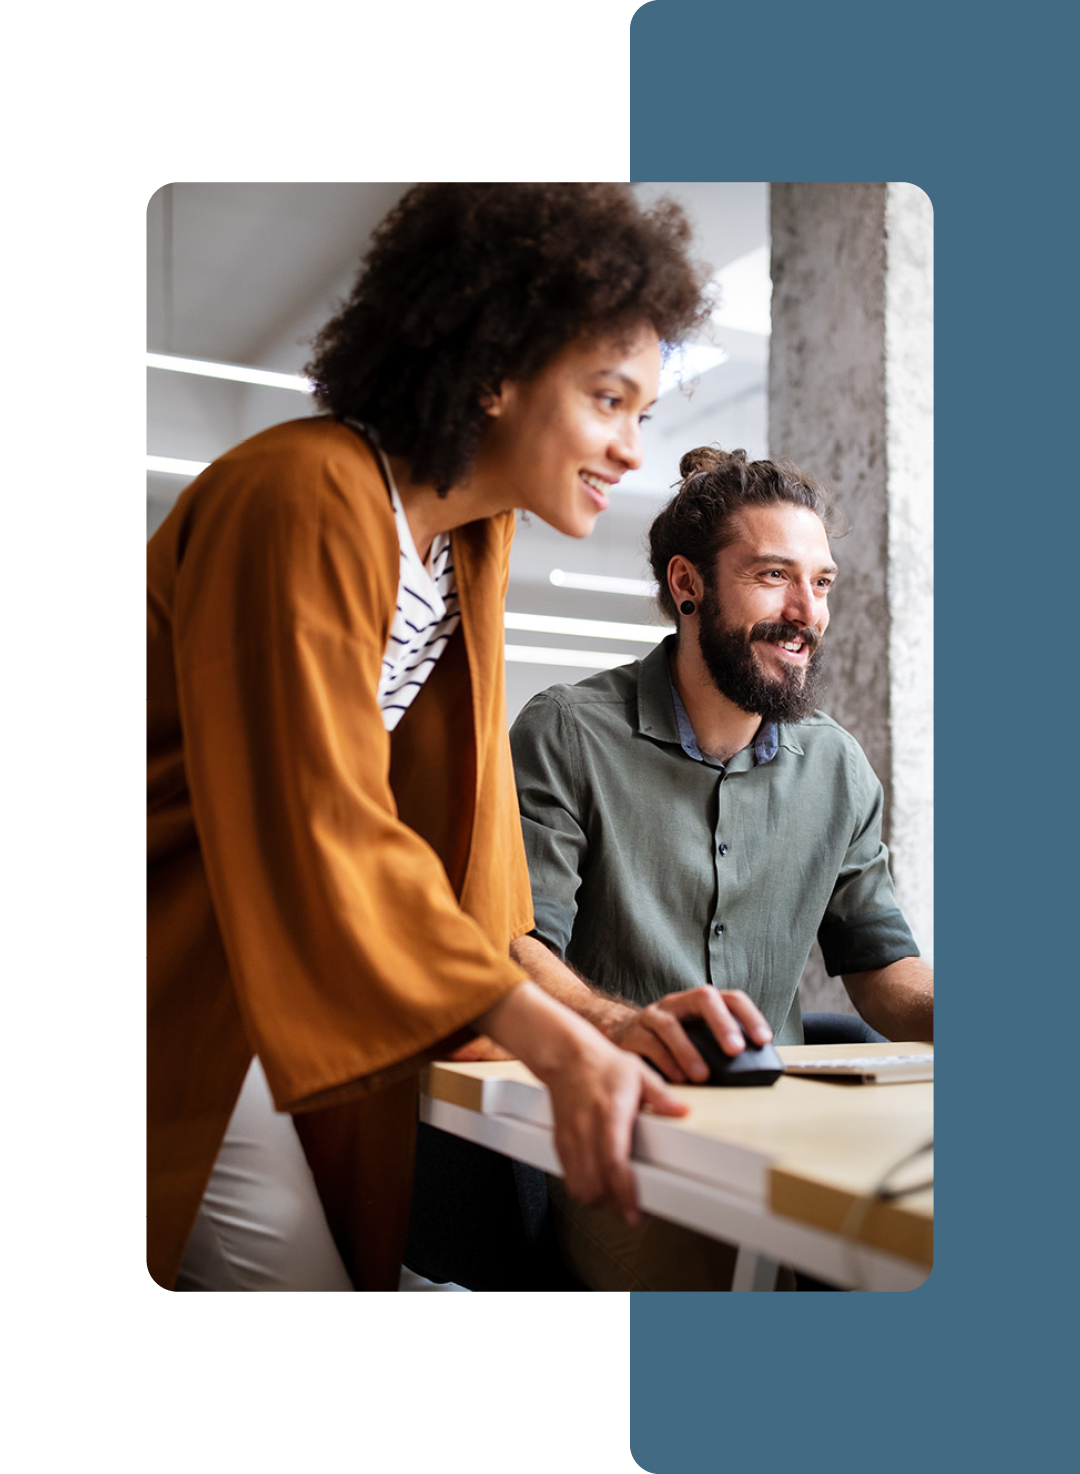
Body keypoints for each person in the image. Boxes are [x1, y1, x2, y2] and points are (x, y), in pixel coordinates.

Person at [146, 183, 715, 1292]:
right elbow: (323, 819)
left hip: (260, 967)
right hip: (164, 970)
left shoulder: (468, 541)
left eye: (643, 413)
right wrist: (555, 1049)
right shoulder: (299, 494)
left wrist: (602, 1018)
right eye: (610, 399)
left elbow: (462, 849)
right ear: (496, 368)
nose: (631, 451)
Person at [508, 443, 933, 1289]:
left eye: (820, 583)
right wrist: (625, 1027)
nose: (804, 611)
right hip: (633, 1130)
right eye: (774, 576)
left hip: (791, 1125)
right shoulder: (567, 733)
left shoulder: (836, 767)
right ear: (688, 584)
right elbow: (515, 949)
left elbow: (883, 972)